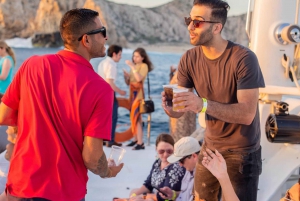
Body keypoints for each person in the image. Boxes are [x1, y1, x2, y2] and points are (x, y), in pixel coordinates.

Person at [0, 8, 123, 201]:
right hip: (64, 191)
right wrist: (108, 171)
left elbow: (3, 115)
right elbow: (92, 158)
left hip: (21, 185)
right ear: (86, 40)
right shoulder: (101, 89)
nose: (106, 38)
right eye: (102, 32)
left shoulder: (31, 65)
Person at [161, 0, 265, 200]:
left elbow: (247, 114)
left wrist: (202, 104)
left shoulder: (243, 58)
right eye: (189, 20)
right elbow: (180, 109)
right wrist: (170, 107)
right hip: (210, 146)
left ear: (217, 27)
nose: (190, 26)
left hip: (242, 152)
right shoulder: (189, 59)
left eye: (197, 22)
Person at [128, 133, 185, 201]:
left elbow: (165, 195)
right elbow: (148, 184)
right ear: (156, 149)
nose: (165, 154)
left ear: (174, 149)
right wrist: (133, 196)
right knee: (133, 192)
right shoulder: (157, 162)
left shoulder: (176, 167)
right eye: (161, 151)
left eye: (169, 151)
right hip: (155, 195)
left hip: (167, 199)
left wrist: (143, 196)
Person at [123, 48, 153, 150]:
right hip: (132, 95)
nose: (134, 58)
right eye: (133, 56)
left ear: (142, 58)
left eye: (137, 56)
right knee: (134, 118)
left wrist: (132, 66)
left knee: (137, 118)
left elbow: (139, 79)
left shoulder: (144, 66)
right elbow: (129, 82)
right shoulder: (135, 66)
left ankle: (140, 142)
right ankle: (136, 139)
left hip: (139, 96)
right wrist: (126, 77)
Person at [98, 45, 126, 147]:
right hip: (108, 93)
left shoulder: (103, 62)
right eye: (119, 55)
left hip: (100, 93)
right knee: (113, 117)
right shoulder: (111, 65)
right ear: (114, 54)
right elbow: (110, 82)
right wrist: (121, 91)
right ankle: (110, 140)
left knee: (104, 118)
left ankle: (102, 140)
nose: (120, 57)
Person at [159, 136, 201, 201]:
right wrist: (173, 195)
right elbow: (185, 195)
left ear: (194, 156)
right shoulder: (189, 170)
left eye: (181, 160)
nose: (180, 164)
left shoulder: (203, 178)